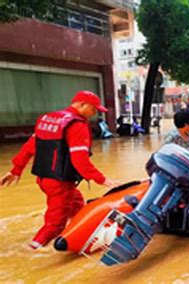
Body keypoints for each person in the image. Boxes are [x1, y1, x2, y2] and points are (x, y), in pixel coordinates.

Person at [0, 90, 119, 250]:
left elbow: (30, 146)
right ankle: (32, 250)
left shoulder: (49, 119)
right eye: (93, 109)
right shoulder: (77, 125)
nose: (94, 113)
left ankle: (78, 228)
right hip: (60, 183)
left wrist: (16, 170)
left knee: (76, 202)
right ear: (82, 105)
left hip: (44, 179)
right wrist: (103, 180)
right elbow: (80, 160)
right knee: (55, 225)